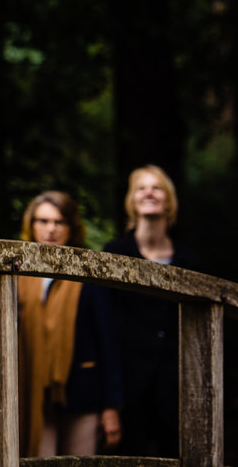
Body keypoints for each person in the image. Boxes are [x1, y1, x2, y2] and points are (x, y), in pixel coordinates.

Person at [102, 165, 198, 458]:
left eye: (157, 188)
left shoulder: (189, 260)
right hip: (127, 389)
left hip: (179, 388)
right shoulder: (115, 253)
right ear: (132, 200)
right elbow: (104, 330)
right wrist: (110, 401)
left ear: (169, 201)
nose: (149, 193)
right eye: (142, 188)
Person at [17, 191, 122, 457]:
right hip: (32, 393)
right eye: (43, 221)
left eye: (59, 222)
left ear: (71, 227)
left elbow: (108, 341)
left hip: (82, 392)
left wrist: (111, 406)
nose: (50, 229)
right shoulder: (17, 275)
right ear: (31, 224)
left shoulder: (89, 272)